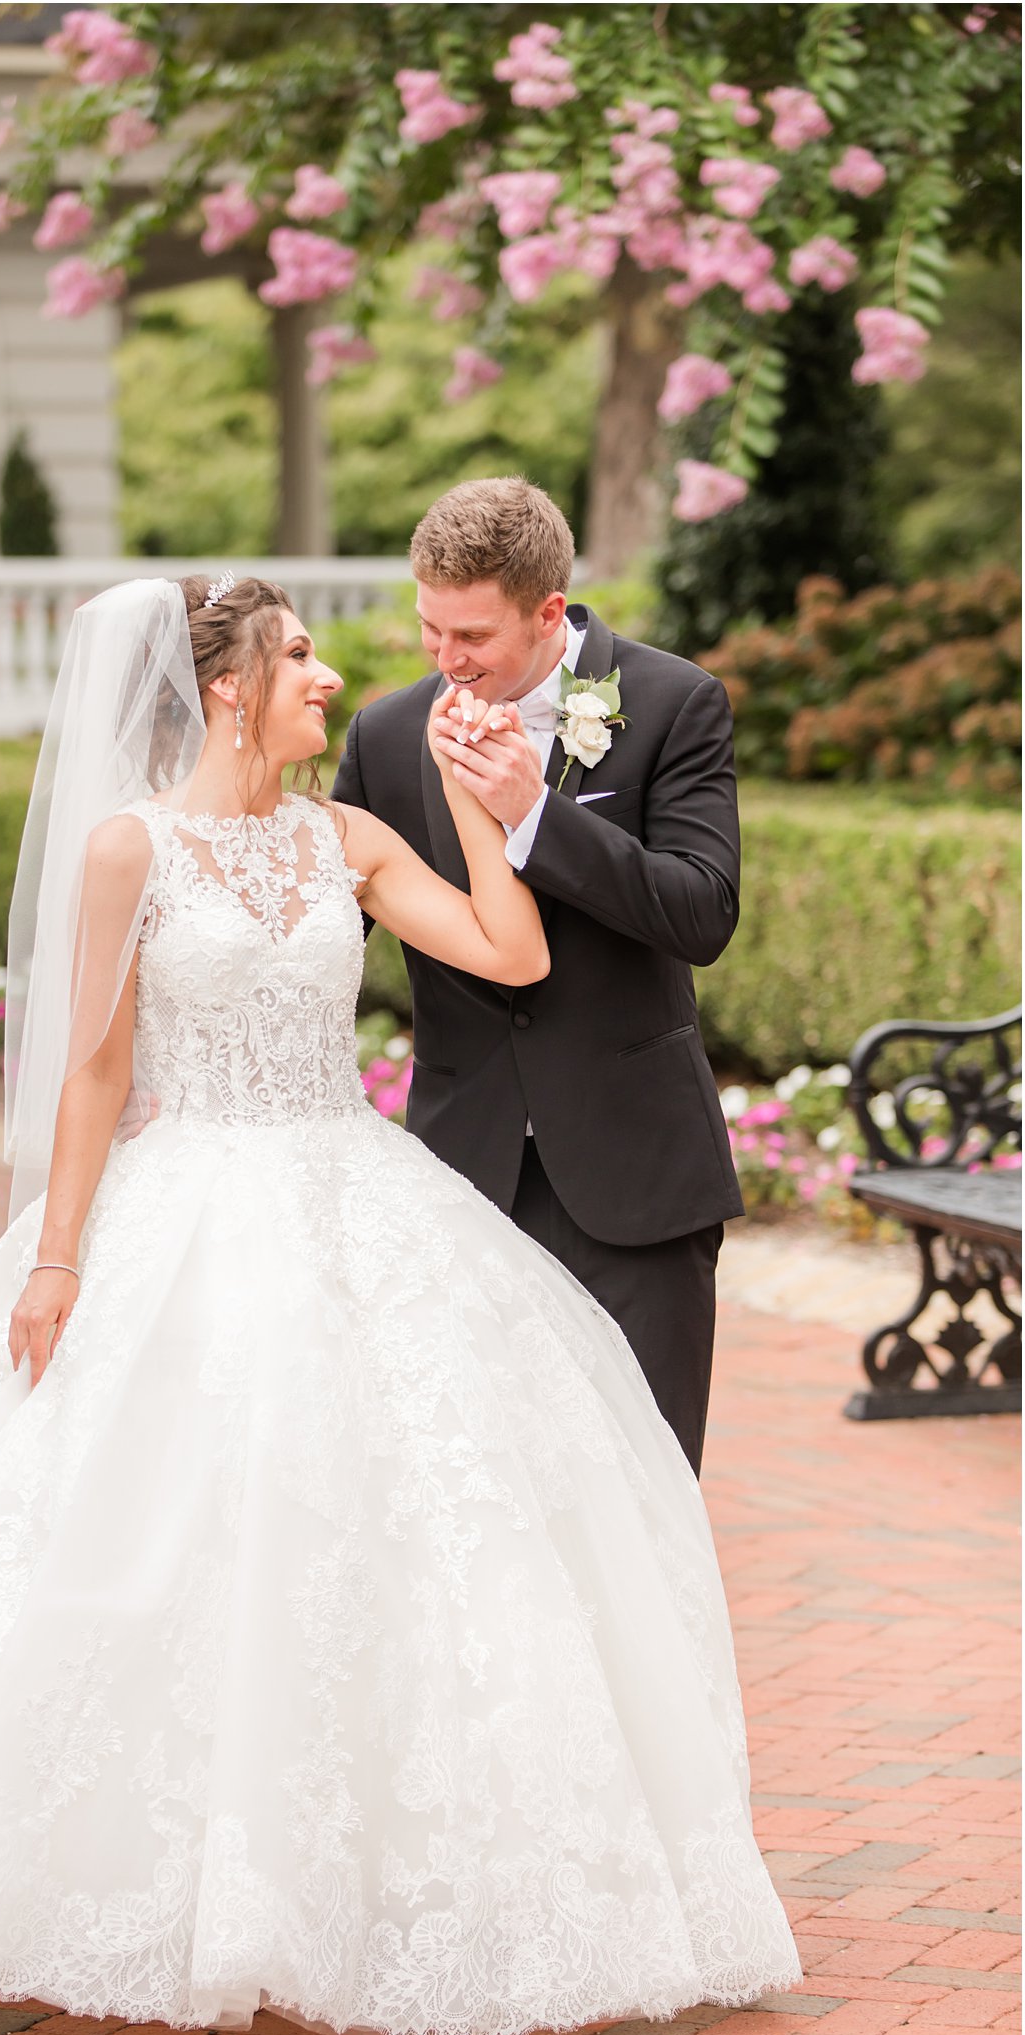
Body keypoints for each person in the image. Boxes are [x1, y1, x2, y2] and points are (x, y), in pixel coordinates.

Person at [0, 575, 799, 2035]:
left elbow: (511, 953)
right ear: (231, 687)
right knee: (124, 1533)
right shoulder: (131, 848)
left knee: (396, 1533)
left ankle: (358, 1883)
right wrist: (57, 1259)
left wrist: (491, 809)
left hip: (355, 1195)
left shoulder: (350, 835)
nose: (334, 680)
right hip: (182, 1208)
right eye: (301, 656)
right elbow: (96, 1074)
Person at [334, 477, 742, 1473]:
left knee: (643, 1491)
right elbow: (323, 935)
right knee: (484, 1498)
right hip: (459, 1172)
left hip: (634, 1177)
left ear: (548, 611)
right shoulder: (384, 738)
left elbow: (700, 911)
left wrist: (534, 817)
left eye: (470, 637)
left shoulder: (670, 702)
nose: (445, 660)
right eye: (429, 631)